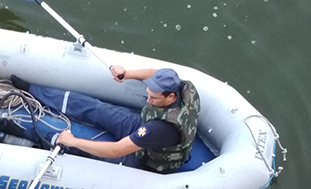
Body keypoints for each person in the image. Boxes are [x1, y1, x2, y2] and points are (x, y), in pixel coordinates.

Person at [14, 65, 200, 172]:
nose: (148, 100)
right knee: (98, 108)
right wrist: (128, 74)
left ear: (170, 97)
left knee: (81, 149)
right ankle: (33, 90)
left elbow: (115, 151)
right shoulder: (184, 88)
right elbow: (155, 74)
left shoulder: (160, 130)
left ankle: (22, 131)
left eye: (153, 98)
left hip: (144, 158)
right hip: (142, 123)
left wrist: (75, 141)